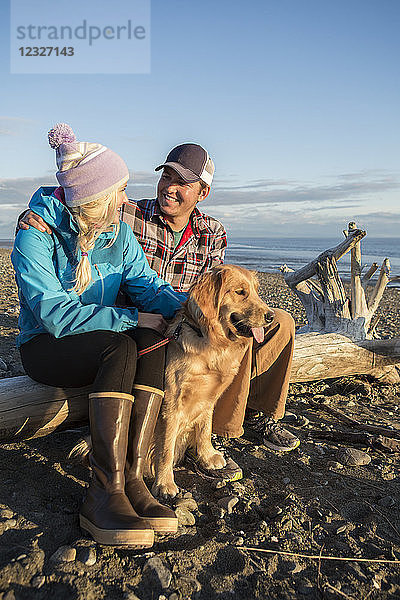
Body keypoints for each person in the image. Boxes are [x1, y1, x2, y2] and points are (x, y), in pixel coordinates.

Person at [19, 142, 301, 484]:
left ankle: (220, 430)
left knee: (270, 325)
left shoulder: (180, 232)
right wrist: (37, 212)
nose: (169, 186)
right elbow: (72, 205)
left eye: (182, 181)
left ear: (203, 192)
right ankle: (117, 478)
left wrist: (197, 312)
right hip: (89, 334)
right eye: (166, 175)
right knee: (137, 346)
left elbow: (153, 286)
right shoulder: (123, 217)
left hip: (166, 318)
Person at [12, 123, 187, 547]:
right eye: (120, 191)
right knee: (124, 341)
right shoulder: (35, 234)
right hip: (46, 348)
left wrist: (196, 308)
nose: (127, 200)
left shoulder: (118, 233)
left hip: (101, 341)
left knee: (153, 339)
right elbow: (53, 314)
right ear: (96, 198)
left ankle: (133, 478)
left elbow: (147, 285)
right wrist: (130, 318)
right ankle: (101, 491)